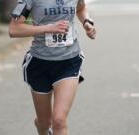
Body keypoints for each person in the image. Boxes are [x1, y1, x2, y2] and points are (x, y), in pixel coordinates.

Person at [9, 0, 96, 134]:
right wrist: (48, 28)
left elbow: (81, 8)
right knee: (44, 123)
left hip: (69, 61)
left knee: (59, 120)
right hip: (39, 64)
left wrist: (87, 22)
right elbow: (14, 29)